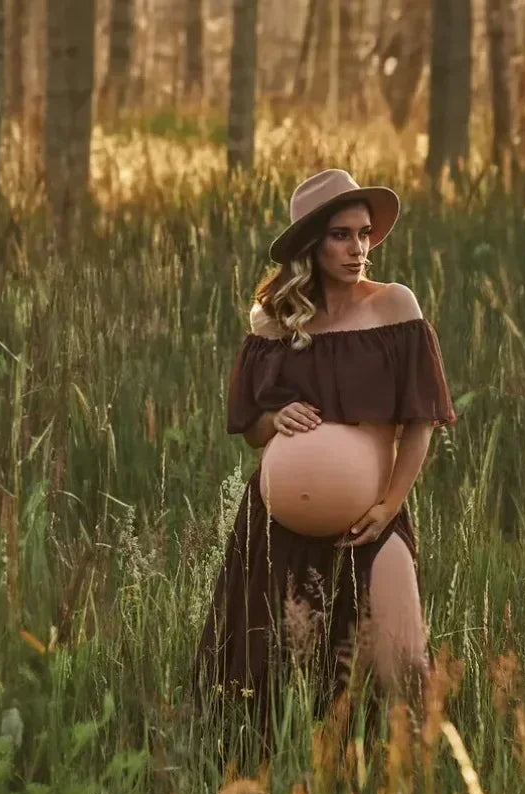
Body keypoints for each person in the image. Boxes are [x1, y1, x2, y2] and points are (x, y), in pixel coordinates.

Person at [193, 168, 457, 737]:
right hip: (276, 525)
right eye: (342, 234)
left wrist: (389, 506)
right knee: (280, 672)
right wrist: (274, 416)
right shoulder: (275, 321)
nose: (358, 248)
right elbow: (253, 430)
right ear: (311, 244)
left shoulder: (394, 308)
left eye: (364, 234)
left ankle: (412, 776)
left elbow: (421, 421)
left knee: (403, 661)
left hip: (374, 518)